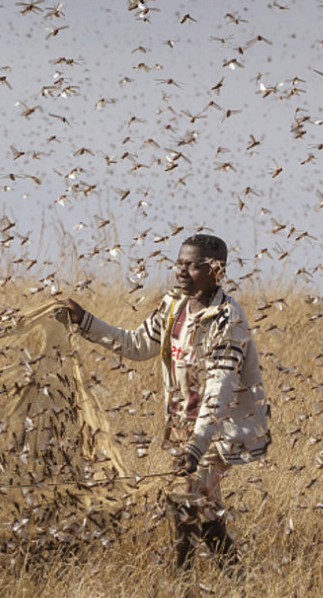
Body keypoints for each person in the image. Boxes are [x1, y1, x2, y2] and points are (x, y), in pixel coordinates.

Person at [56, 233, 269, 571]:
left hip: (219, 429)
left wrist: (196, 448)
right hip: (184, 426)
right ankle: (233, 580)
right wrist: (86, 322)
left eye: (194, 266)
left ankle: (183, 580)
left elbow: (220, 391)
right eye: (180, 263)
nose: (182, 272)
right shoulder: (175, 305)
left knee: (190, 503)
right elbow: (137, 344)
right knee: (201, 505)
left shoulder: (228, 321)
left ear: (218, 271)